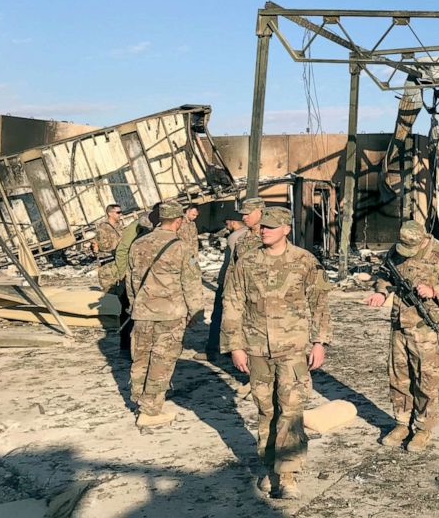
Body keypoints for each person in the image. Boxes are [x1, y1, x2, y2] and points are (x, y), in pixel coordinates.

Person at [221, 207, 331, 500]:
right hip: (256, 347)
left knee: (291, 410)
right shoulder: (246, 262)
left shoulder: (304, 262)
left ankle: (288, 474)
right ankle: (269, 466)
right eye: (263, 226)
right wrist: (235, 346)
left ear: (286, 229)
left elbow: (319, 303)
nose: (264, 230)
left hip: (292, 348)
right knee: (266, 410)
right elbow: (232, 303)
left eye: (271, 226)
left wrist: (320, 341)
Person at [365, 220, 439, 452]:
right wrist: (381, 293)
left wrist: (435, 291)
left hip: (424, 326)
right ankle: (401, 423)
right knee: (398, 376)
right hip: (399, 322)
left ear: (422, 239)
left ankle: (422, 428)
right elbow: (385, 275)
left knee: (426, 379)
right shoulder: (397, 250)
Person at [127, 202, 203, 428]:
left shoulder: (138, 244)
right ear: (178, 221)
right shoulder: (181, 247)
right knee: (162, 360)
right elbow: (191, 283)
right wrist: (195, 312)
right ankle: (150, 410)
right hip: (170, 314)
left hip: (142, 312)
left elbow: (130, 281)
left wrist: (134, 305)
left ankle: (139, 399)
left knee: (141, 357)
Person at [206, 201, 262, 360]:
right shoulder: (243, 238)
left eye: (247, 213)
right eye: (243, 214)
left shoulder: (240, 237)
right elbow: (232, 265)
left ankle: (216, 349)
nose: (244, 217)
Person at [113, 203, 161, 354]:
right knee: (129, 310)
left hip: (150, 277)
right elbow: (122, 250)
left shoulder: (165, 226)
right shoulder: (137, 226)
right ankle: (126, 347)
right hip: (132, 275)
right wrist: (123, 273)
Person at [93, 204, 125, 290]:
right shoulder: (103, 228)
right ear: (110, 213)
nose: (120, 214)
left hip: (120, 262)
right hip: (108, 264)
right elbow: (104, 247)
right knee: (110, 292)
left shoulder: (120, 226)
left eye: (121, 212)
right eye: (118, 212)